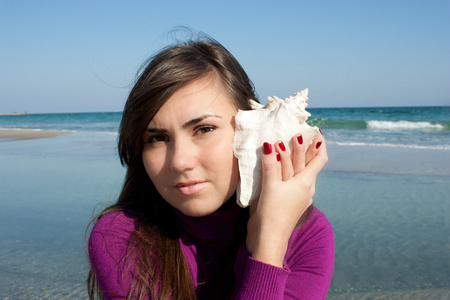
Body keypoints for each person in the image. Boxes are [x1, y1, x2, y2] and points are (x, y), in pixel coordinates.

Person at [87, 35, 334, 300]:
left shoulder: (307, 235)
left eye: (204, 129)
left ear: (247, 128)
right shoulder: (122, 238)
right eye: (157, 138)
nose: (180, 162)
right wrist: (269, 246)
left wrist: (272, 234)